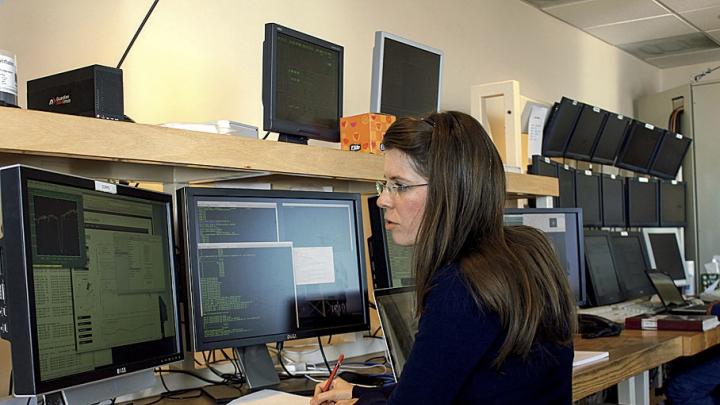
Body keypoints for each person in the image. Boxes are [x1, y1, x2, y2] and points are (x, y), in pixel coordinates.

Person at [310, 111, 577, 405]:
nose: (383, 199)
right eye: (385, 184)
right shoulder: (526, 253)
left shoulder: (462, 285)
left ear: (448, 191)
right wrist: (360, 393)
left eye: (399, 185)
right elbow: (440, 387)